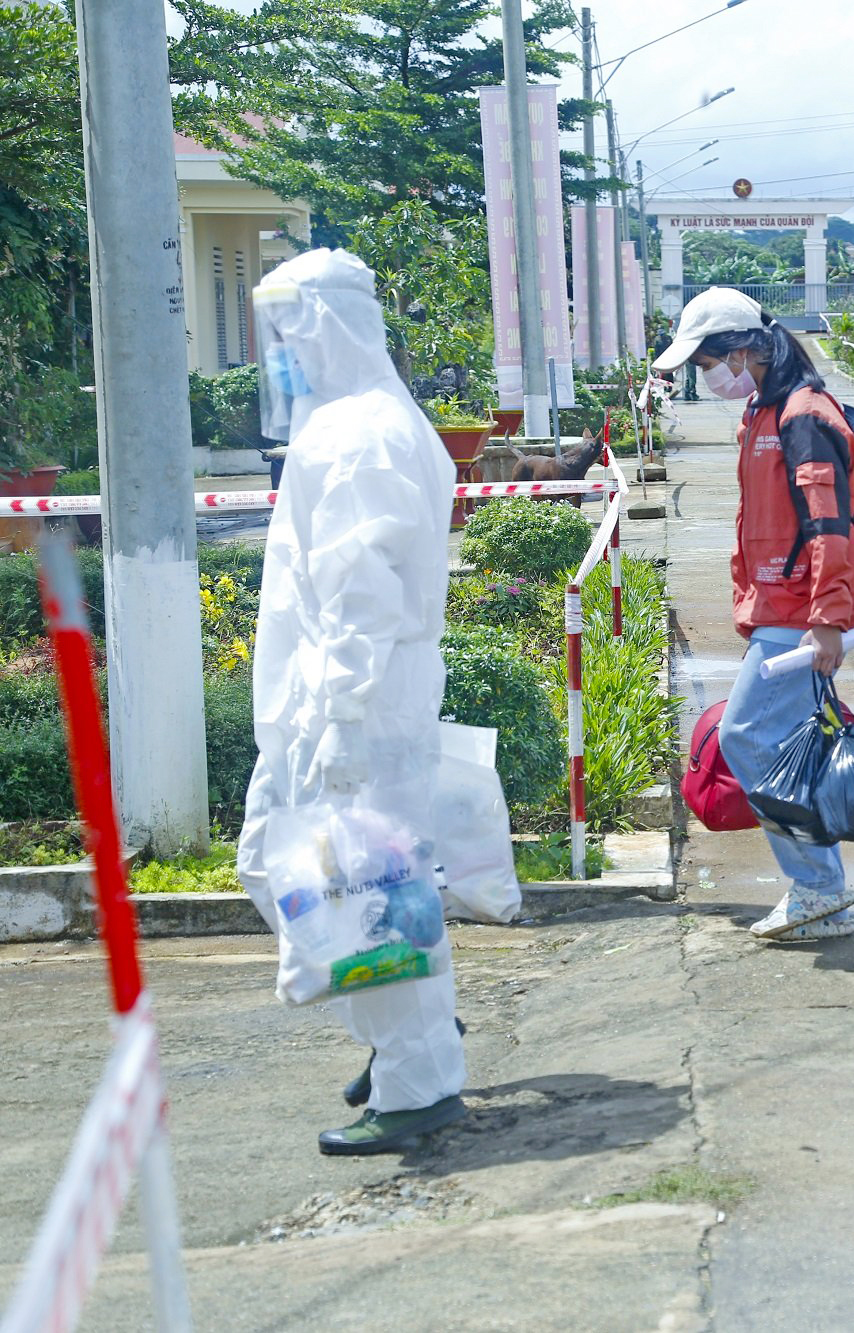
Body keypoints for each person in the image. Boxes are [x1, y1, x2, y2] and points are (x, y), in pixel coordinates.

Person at [236, 248, 468, 1153]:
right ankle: (411, 1042)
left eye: (293, 331)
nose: (281, 352)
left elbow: (360, 590)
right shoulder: (351, 422)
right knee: (307, 868)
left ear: (328, 326)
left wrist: (338, 716)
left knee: (364, 890)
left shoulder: (360, 435)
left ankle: (414, 1080)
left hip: (356, 701)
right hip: (351, 695)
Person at [652, 289, 854, 940]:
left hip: (803, 611)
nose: (704, 376)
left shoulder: (802, 415)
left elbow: (827, 521)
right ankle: (821, 889)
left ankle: (818, 886)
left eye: (705, 362)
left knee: (747, 738)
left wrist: (828, 618)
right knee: (774, 746)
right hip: (784, 607)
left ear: (743, 350)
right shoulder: (765, 411)